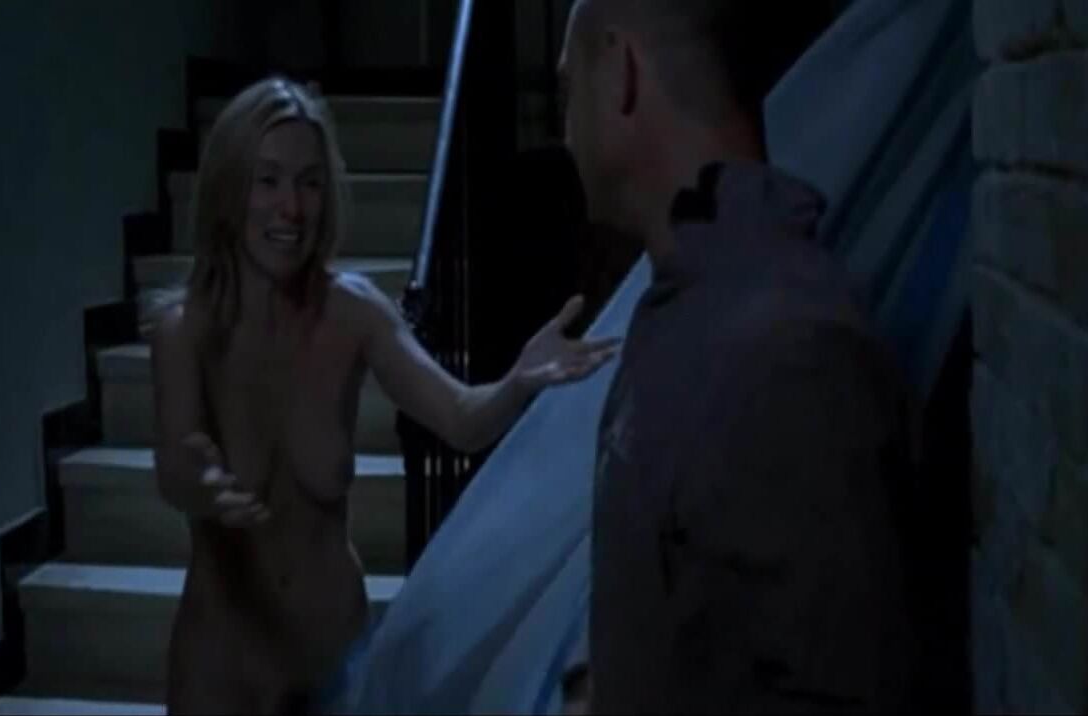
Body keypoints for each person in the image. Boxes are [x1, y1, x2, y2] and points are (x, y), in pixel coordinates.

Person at [150, 76, 619, 715]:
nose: (291, 207)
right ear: (230, 190)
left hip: (334, 663)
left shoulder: (354, 312)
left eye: (310, 182)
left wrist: (518, 382)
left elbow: (460, 418)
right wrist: (202, 481)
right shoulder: (185, 329)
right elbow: (175, 463)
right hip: (219, 667)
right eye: (268, 181)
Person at [557, 0, 927, 711]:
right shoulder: (690, 306)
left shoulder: (791, 355)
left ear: (621, 73)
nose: (565, 131)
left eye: (570, 89)